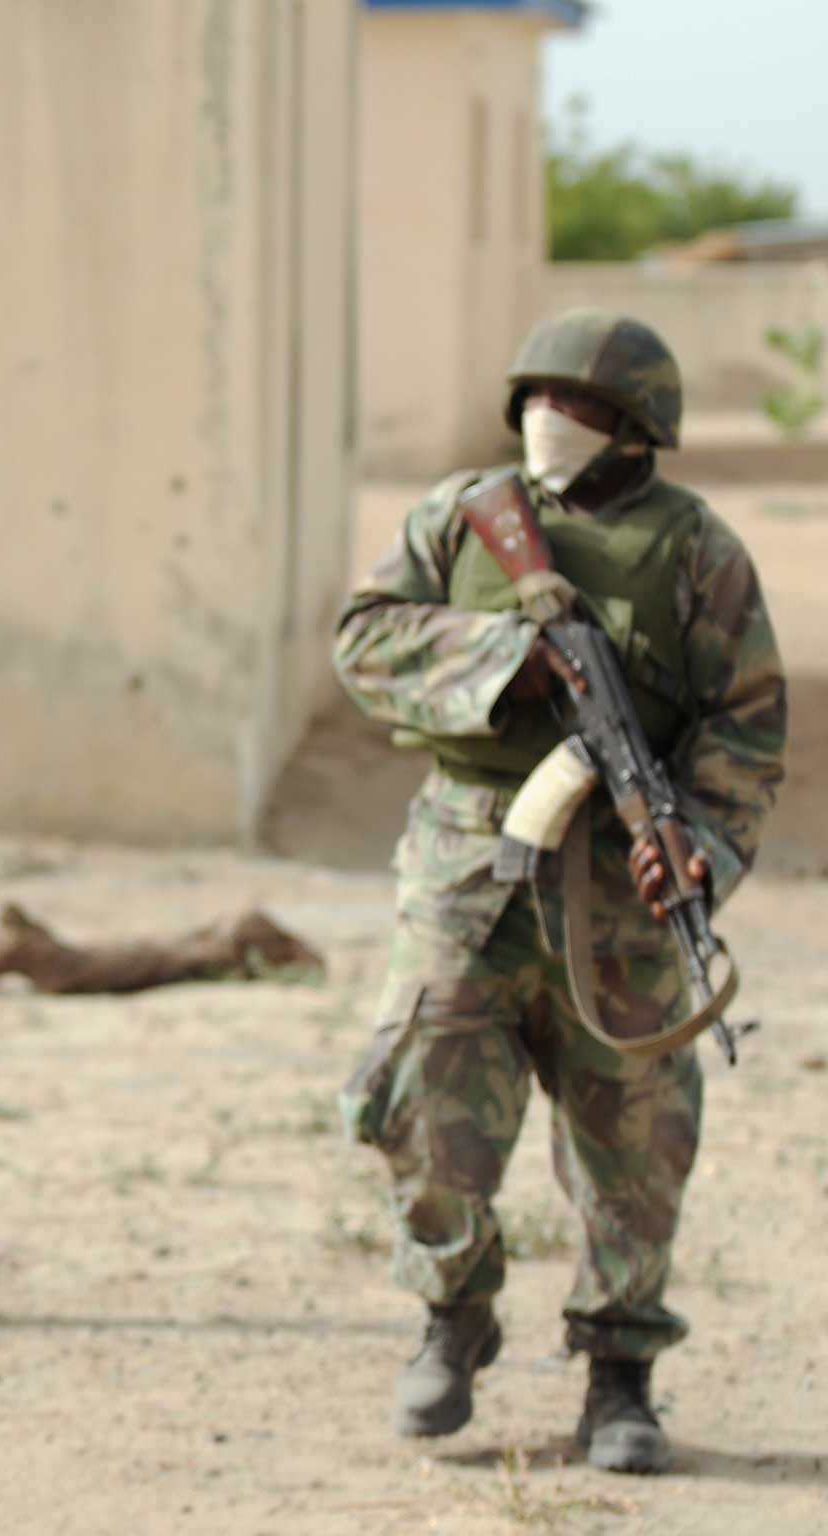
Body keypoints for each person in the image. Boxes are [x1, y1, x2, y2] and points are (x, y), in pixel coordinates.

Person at [332, 309, 785, 1474]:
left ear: (634, 429)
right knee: (422, 1103)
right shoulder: (460, 515)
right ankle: (452, 1314)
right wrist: (500, 659)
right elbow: (362, 641)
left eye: (577, 406)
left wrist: (697, 846)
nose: (549, 420)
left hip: (621, 905)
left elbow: (744, 726)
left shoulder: (696, 552)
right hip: (466, 870)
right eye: (537, 397)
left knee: (632, 1143)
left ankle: (618, 1374)